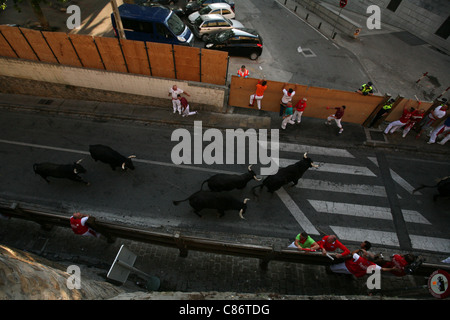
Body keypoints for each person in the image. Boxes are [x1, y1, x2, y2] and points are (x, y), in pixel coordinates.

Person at [329, 249, 399, 278]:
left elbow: (353, 253)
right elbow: (383, 269)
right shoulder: (372, 265)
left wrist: (360, 250)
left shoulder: (359, 258)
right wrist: (392, 268)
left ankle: (330, 270)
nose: (363, 254)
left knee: (334, 267)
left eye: (365, 255)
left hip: (346, 265)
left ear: (366, 257)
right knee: (342, 271)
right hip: (353, 271)